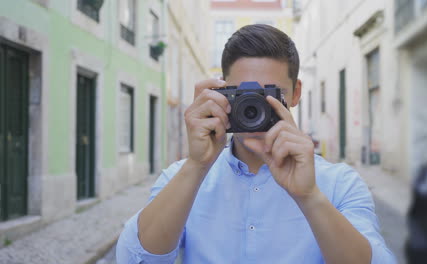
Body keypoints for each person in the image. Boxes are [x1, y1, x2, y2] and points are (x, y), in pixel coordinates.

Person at [116, 24, 396, 264]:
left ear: (296, 93)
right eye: (244, 95)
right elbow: (134, 259)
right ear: (221, 92)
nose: (255, 110)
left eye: (271, 95)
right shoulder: (183, 178)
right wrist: (197, 166)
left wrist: (309, 197)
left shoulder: (339, 185)